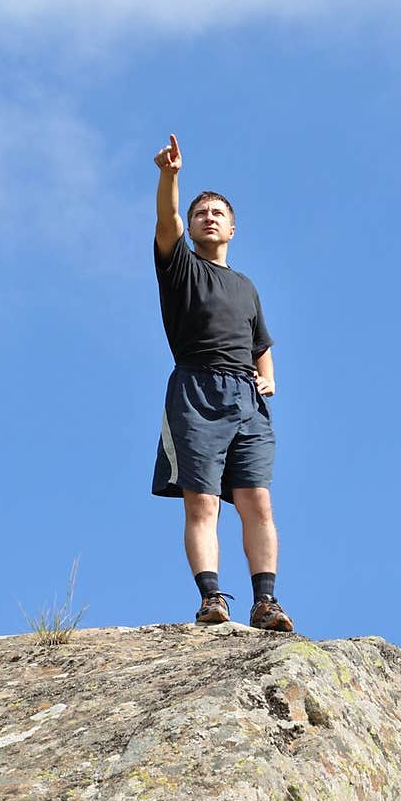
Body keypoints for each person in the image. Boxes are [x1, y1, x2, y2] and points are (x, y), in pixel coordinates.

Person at [151, 132, 293, 632]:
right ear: (191, 228)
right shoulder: (181, 268)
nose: (207, 218)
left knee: (258, 502)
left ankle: (267, 602)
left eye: (217, 213)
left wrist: (268, 379)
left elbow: (261, 341)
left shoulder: (247, 286)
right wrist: (170, 176)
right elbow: (165, 222)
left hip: (247, 399)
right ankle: (212, 598)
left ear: (233, 227)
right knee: (202, 501)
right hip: (196, 390)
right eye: (200, 214)